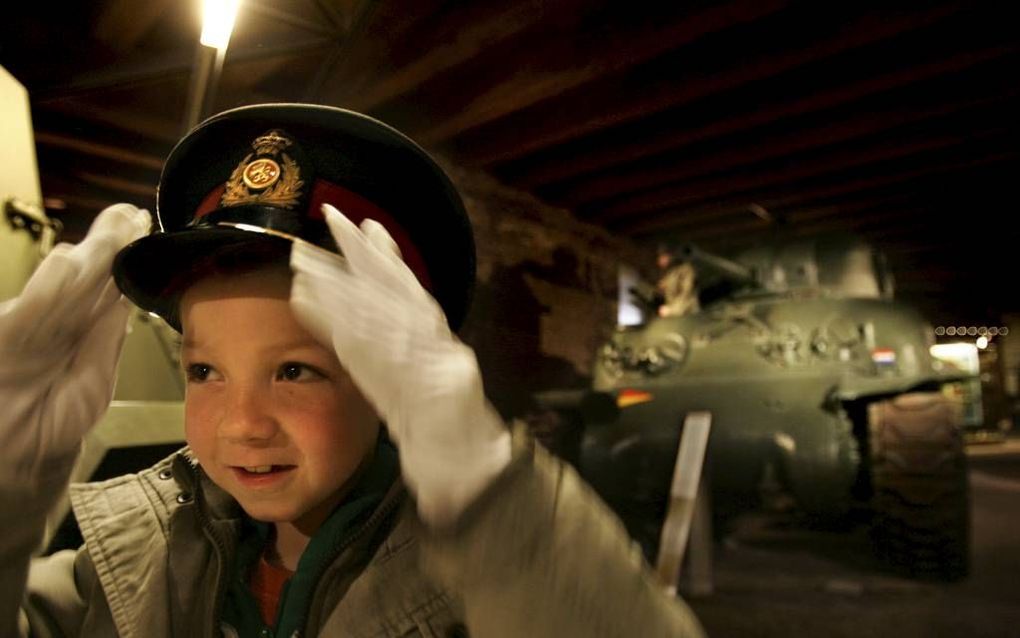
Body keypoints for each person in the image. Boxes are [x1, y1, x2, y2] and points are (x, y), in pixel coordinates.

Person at [0, 104, 705, 637]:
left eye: (296, 371)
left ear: (390, 382)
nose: (241, 425)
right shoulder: (137, 553)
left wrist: (489, 498)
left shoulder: (488, 587)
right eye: (206, 370)